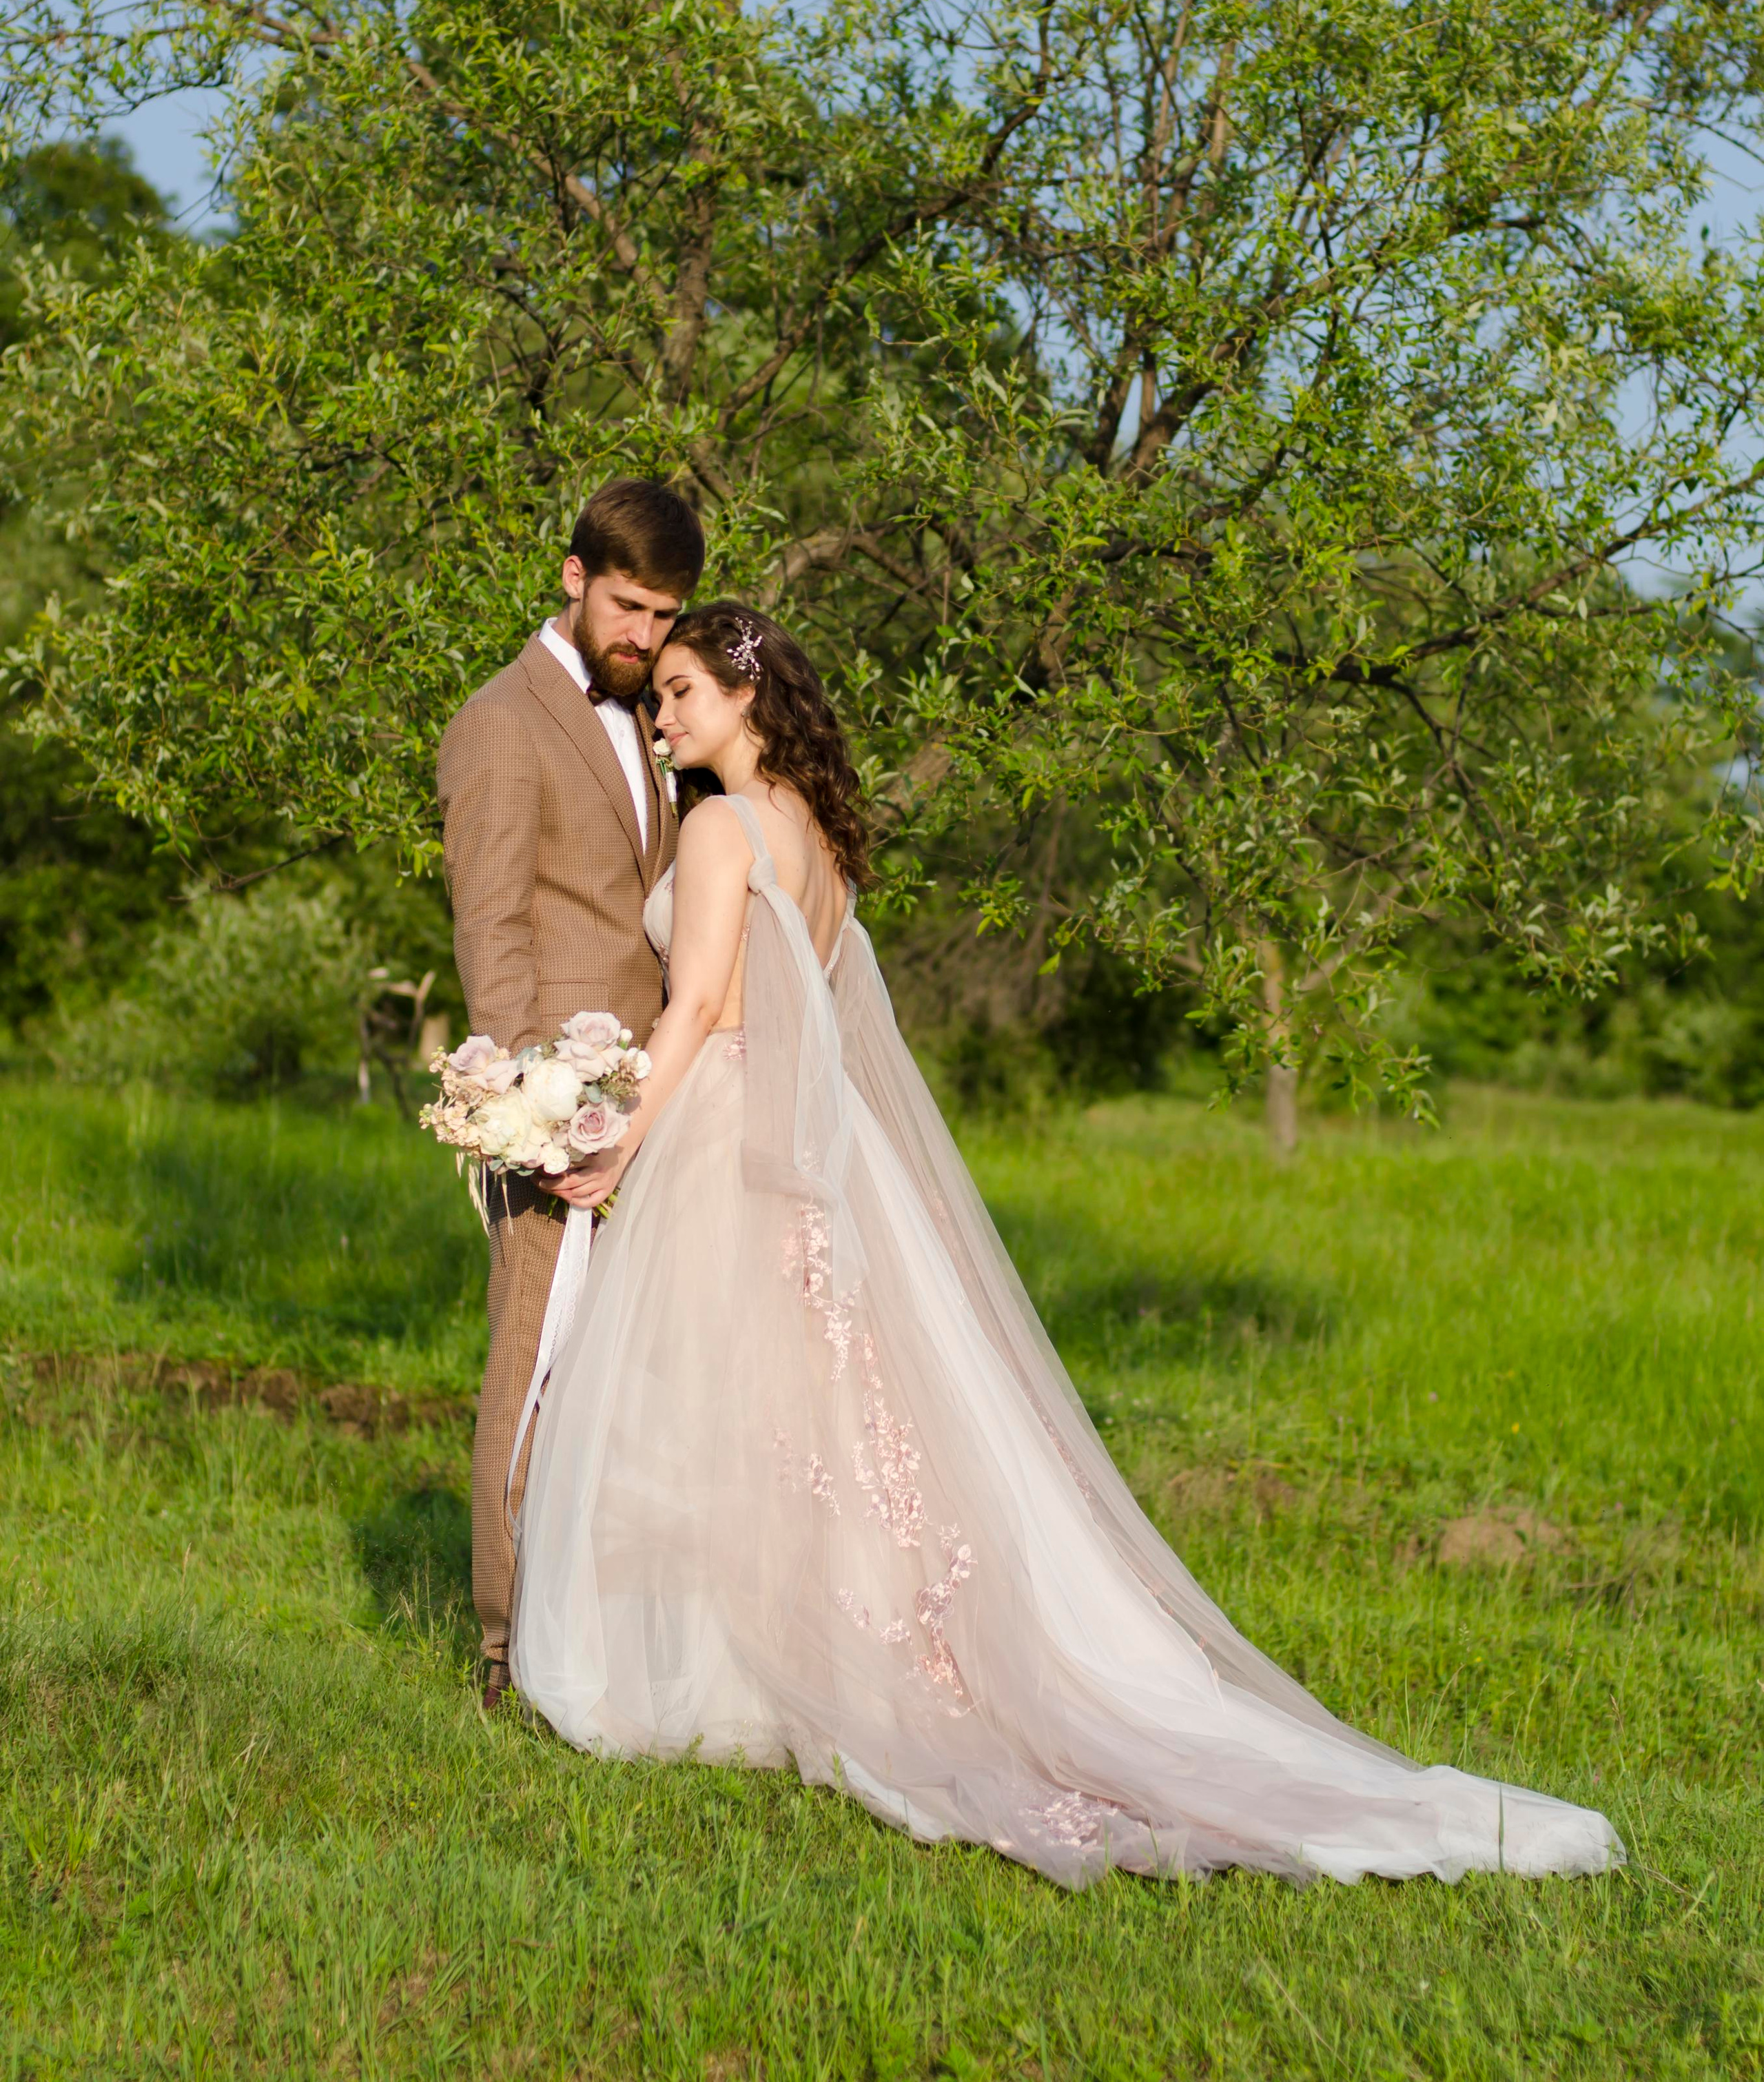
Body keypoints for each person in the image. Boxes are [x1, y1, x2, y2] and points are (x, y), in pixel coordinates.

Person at [509, 602, 1624, 1888]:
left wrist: (613, 1138)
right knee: (827, 1417)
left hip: (728, 1128)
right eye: (661, 698)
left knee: (740, 1409)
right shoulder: (820, 835)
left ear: (752, 699)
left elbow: (700, 1004)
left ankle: (730, 1674)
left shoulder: (717, 824)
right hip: (825, 1151)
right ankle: (803, 1660)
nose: (665, 715)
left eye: (688, 692)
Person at [435, 477, 704, 1710]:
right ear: (573, 576)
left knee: (630, 1382)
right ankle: (502, 1644)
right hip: (554, 1113)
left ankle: (596, 1632)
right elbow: (495, 934)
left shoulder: (657, 721)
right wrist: (533, 1110)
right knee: (532, 1369)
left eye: (665, 613)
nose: (645, 634)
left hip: (654, 1109)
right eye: (630, 604)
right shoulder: (500, 722)